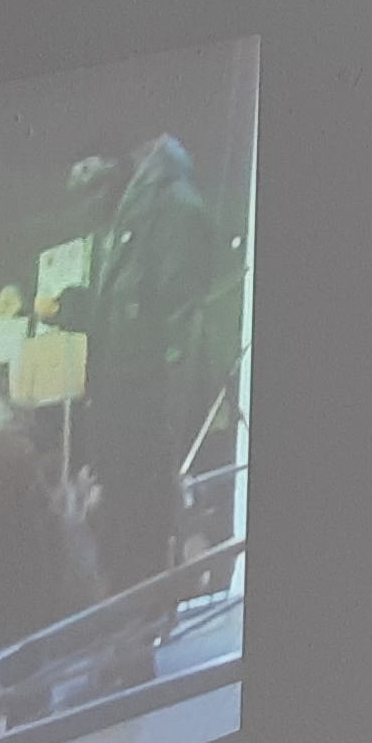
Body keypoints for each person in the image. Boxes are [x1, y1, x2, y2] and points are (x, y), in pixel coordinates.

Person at [41, 137, 241, 618]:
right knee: (120, 539)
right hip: (122, 422)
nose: (85, 200)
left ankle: (140, 638)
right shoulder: (127, 218)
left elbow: (181, 326)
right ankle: (130, 634)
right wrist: (70, 308)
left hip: (147, 424)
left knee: (141, 540)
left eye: (91, 183)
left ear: (118, 165)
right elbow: (128, 317)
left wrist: (178, 422)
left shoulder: (170, 211)